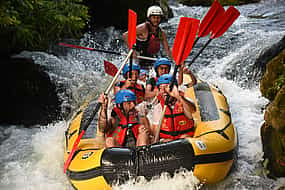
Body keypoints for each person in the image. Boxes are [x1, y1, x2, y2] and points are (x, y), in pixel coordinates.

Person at [122, 5, 172, 69]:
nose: (156, 20)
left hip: (151, 59)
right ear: (149, 18)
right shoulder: (143, 28)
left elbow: (167, 50)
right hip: (138, 60)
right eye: (154, 17)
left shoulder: (162, 33)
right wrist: (133, 52)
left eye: (158, 18)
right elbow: (126, 35)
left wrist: (176, 60)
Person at [151, 74, 196, 142]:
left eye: (166, 87)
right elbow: (156, 132)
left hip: (184, 138)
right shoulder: (158, 108)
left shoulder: (185, 101)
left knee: (184, 138)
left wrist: (178, 96)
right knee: (167, 141)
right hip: (167, 140)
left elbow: (192, 110)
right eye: (161, 88)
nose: (164, 91)